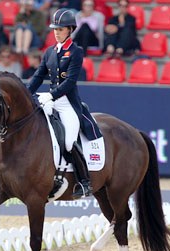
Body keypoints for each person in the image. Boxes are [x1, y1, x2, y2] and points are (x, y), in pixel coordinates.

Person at [27, 8, 102, 199]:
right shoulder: (50, 52)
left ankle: (84, 182)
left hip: (67, 102)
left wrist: (51, 96)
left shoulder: (76, 51)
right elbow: (38, 76)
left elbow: (69, 82)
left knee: (68, 141)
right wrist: (26, 93)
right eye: (54, 29)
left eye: (60, 29)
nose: (56, 32)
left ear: (70, 29)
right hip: (49, 100)